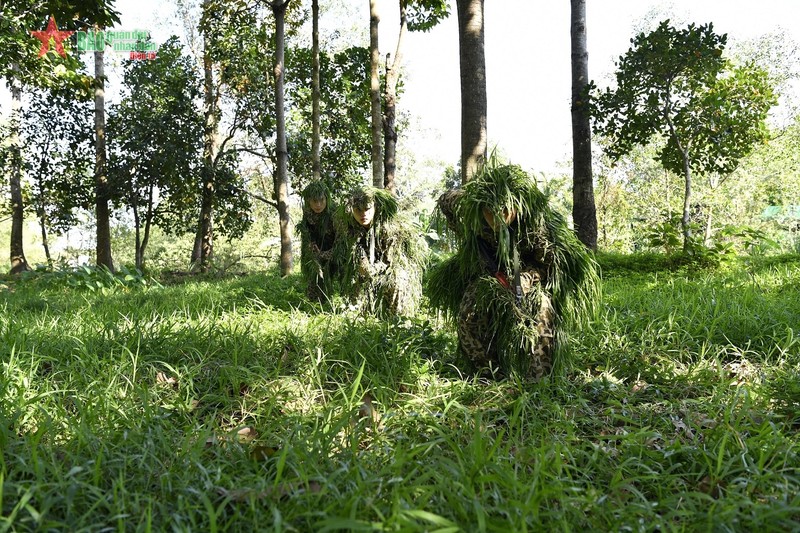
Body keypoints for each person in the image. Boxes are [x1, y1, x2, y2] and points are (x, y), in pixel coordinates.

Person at [427, 162, 599, 380]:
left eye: (505, 211)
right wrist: (472, 196)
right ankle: (489, 375)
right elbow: (446, 199)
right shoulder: (473, 217)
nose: (498, 217)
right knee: (468, 315)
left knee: (541, 311)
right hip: (488, 276)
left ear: (517, 207)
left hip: (527, 279)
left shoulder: (534, 228)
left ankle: (539, 379)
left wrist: (527, 278)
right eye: (490, 211)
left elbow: (548, 265)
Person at [333, 186, 427, 317]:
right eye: (358, 210)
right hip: (366, 269)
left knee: (398, 280)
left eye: (367, 209)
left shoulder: (388, 228)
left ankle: (398, 319)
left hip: (392, 268)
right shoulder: (350, 228)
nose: (363, 214)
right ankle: (361, 312)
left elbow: (390, 261)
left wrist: (371, 270)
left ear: (375, 208)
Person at [296, 181, 337, 301]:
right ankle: (315, 303)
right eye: (314, 201)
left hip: (335, 249)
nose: (318, 205)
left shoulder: (335, 212)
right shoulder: (307, 212)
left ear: (326, 199)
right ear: (308, 201)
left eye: (321, 200)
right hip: (317, 249)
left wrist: (328, 253)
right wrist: (311, 245)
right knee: (314, 279)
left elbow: (341, 240)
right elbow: (308, 230)